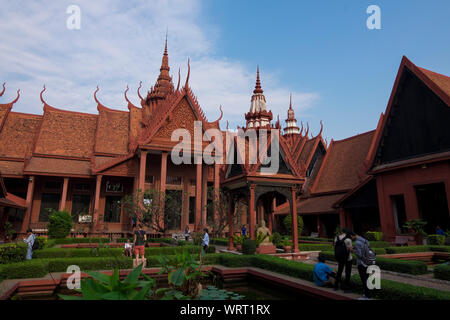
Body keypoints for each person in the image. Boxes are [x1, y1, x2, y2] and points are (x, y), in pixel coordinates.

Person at [351, 232, 374, 300]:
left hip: (361, 263)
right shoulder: (365, 240)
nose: (351, 238)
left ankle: (368, 296)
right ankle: (367, 294)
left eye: (351, 237)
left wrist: (352, 251)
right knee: (367, 278)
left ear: (353, 235)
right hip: (367, 261)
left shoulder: (357, 242)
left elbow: (360, 255)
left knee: (364, 280)